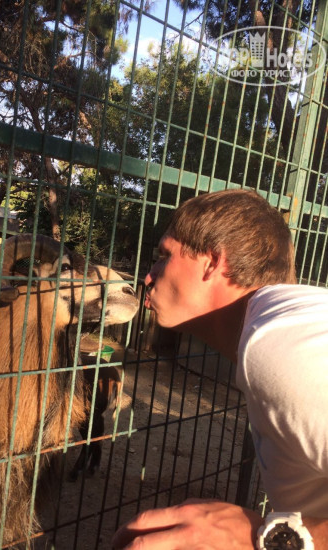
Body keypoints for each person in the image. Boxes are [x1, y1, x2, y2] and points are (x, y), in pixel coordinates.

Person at [112, 189, 328, 549]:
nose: (148, 276)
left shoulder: (281, 345)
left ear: (212, 262)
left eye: (164, 256)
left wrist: (266, 536)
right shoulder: (281, 331)